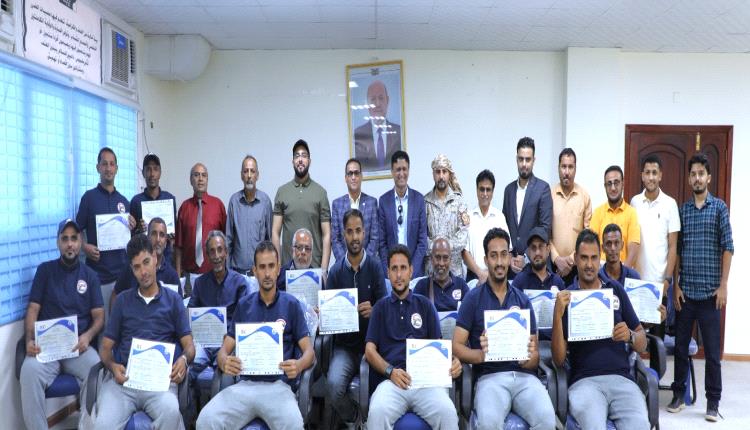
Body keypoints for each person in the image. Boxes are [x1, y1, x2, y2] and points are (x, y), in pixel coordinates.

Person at [196, 241, 315, 429]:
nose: (267, 273)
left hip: (278, 388)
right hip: (245, 386)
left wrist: (299, 365)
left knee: (294, 425)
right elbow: (223, 350)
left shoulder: (291, 305)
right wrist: (224, 361)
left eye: (271, 266)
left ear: (278, 269)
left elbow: (310, 352)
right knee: (205, 420)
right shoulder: (244, 305)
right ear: (255, 271)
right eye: (262, 267)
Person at [453, 227, 556, 429]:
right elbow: (455, 346)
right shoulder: (473, 299)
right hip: (490, 379)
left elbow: (535, 356)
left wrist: (528, 359)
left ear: (509, 258)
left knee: (547, 419)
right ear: (486, 260)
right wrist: (480, 355)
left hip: (525, 378)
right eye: (494, 256)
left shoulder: (523, 300)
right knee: (489, 423)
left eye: (503, 255)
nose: (499, 262)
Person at [94, 235, 195, 430]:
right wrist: (113, 367)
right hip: (125, 382)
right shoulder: (122, 301)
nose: (143, 272)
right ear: (132, 270)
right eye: (137, 267)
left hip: (160, 383)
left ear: (155, 258)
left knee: (171, 412)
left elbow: (189, 346)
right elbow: (105, 348)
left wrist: (183, 360)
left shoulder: (173, 300)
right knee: (102, 425)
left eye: (146, 262)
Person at [551, 229, 649, 430]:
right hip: (585, 384)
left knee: (640, 425)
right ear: (576, 259)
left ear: (600, 258)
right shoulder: (567, 297)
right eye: (584, 258)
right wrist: (557, 316)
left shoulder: (615, 290)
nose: (589, 264)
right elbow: (559, 359)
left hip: (622, 381)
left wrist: (630, 336)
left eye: (594, 258)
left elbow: (643, 342)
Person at [365, 244, 461, 429]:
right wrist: (390, 371)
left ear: (411, 271)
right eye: (394, 269)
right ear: (388, 273)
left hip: (425, 383)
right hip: (392, 382)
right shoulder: (380, 308)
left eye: (403, 268)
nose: (399, 274)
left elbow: (439, 346)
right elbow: (369, 351)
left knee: (448, 412)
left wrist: (453, 361)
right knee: (377, 412)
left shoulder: (425, 305)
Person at [20, 219, 103, 430]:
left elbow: (99, 317)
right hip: (47, 348)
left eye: (74, 238)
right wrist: (29, 340)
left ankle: (86, 427)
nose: (69, 244)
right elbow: (33, 309)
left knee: (97, 370)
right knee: (28, 371)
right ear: (58, 243)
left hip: (78, 347)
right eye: (65, 239)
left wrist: (88, 337)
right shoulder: (45, 271)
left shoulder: (90, 276)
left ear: (80, 241)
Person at [668, 153, 733, 422]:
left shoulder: (719, 208)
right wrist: (676, 286)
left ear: (708, 178)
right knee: (680, 349)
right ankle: (678, 395)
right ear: (689, 178)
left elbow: (728, 247)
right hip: (686, 294)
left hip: (710, 296)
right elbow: (677, 251)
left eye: (701, 174)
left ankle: (713, 402)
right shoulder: (683, 211)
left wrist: (723, 285)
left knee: (713, 355)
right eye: (693, 174)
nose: (697, 178)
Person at [324, 209, 387, 426]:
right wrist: (324, 314)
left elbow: (386, 310)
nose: (354, 237)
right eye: (350, 232)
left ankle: (372, 421)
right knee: (333, 387)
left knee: (379, 387)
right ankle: (354, 418)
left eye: (358, 231)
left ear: (364, 232)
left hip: (373, 347)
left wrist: (375, 310)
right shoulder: (335, 272)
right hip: (345, 348)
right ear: (344, 234)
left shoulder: (375, 267)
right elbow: (328, 322)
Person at [76, 147, 136, 323]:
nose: (108, 168)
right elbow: (75, 232)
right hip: (98, 276)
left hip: (123, 277)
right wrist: (84, 247)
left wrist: (132, 226)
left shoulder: (124, 202)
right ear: (98, 168)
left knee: (123, 325)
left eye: (112, 164)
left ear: (117, 168)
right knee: (102, 327)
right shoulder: (88, 198)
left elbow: (130, 240)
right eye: (104, 164)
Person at [188, 230, 248, 382]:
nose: (216, 256)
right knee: (187, 369)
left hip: (228, 343)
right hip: (204, 343)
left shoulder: (239, 283)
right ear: (207, 256)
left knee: (223, 374)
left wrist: (230, 338)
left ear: (226, 252)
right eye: (212, 251)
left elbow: (244, 319)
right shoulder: (200, 283)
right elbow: (190, 314)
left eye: (220, 250)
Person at [272, 139, 331, 275]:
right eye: (297, 156)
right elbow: (275, 232)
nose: (300, 159)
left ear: (309, 161)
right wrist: (278, 265)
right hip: (288, 271)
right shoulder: (282, 192)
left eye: (304, 156)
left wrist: (323, 270)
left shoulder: (320, 193)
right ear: (292, 161)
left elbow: (327, 234)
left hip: (314, 269)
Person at [502, 137, 553, 276]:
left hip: (535, 267)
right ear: (516, 160)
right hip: (511, 268)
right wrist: (510, 255)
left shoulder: (543, 189)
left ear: (533, 160)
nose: (524, 164)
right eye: (521, 159)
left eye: (528, 159)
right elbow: (504, 227)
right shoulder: (508, 190)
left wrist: (525, 256)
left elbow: (545, 229)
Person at [630, 155, 680, 294]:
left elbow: (673, 246)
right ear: (642, 176)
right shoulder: (634, 202)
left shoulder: (670, 204)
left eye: (654, 173)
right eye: (647, 173)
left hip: (661, 283)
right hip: (637, 282)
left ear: (660, 176)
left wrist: (668, 279)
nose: (651, 177)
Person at [377, 150, 429, 278]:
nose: (401, 174)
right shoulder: (383, 201)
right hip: (392, 273)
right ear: (392, 172)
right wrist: (389, 270)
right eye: (398, 170)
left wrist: (411, 270)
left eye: (404, 169)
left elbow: (422, 242)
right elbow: (382, 243)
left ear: (409, 171)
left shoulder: (419, 200)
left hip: (414, 272)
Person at [112, 218, 181, 309]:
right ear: (147, 237)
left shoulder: (172, 275)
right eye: (154, 234)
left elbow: (178, 308)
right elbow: (115, 295)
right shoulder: (131, 267)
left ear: (166, 242)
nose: (158, 239)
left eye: (162, 235)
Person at [175, 163, 227, 278]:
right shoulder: (184, 207)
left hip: (214, 274)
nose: (200, 179)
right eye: (196, 175)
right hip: (189, 275)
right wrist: (178, 276)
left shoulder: (218, 205)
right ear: (191, 180)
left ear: (207, 179)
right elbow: (178, 246)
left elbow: (226, 243)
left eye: (204, 175)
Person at [226, 155, 273, 275]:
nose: (249, 175)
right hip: (237, 272)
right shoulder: (234, 202)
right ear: (241, 175)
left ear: (257, 175)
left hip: (259, 272)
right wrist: (228, 272)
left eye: (252, 171)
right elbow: (228, 239)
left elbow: (270, 240)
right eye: (246, 171)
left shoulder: (265, 202)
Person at [550, 148, 591, 285]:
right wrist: (557, 259)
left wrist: (571, 260)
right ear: (558, 168)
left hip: (577, 268)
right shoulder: (548, 195)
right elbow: (545, 233)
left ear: (575, 169)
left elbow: (587, 234)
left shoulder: (584, 196)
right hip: (553, 267)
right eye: (563, 167)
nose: (566, 172)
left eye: (570, 167)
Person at [424, 154, 469, 277]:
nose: (441, 176)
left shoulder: (459, 201)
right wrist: (436, 249)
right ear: (433, 174)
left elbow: (464, 235)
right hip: (432, 271)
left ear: (449, 174)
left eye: (444, 172)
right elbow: (421, 237)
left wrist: (445, 247)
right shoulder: (425, 202)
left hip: (454, 271)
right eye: (437, 172)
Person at [463, 169, 509, 284]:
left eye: (488, 190)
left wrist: (492, 274)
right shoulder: (468, 217)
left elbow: (507, 250)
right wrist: (480, 273)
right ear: (476, 190)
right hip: (473, 277)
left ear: (492, 192)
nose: (485, 194)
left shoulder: (499, 217)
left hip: (496, 275)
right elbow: (464, 251)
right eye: (481, 189)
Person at [130, 153, 178, 262]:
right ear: (143, 173)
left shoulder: (170, 199)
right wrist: (139, 230)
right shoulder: (136, 201)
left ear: (160, 173)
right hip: (144, 258)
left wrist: (172, 236)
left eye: (155, 169)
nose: (152, 174)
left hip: (166, 258)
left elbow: (175, 231)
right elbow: (131, 237)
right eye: (148, 169)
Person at [590, 165, 640, 268]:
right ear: (605, 187)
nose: (613, 188)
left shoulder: (631, 213)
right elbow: (592, 245)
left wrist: (623, 273)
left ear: (623, 184)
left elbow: (634, 247)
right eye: (609, 184)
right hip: (601, 270)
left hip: (624, 269)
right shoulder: (597, 213)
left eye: (616, 183)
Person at [331, 158, 379, 263]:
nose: (353, 177)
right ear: (346, 178)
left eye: (356, 173)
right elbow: (335, 239)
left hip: (368, 266)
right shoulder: (337, 205)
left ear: (361, 177)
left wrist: (364, 263)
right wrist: (347, 263)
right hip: (344, 266)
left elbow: (375, 238)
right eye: (350, 173)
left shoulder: (372, 202)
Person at [353, 80, 402, 172]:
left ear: (387, 101)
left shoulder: (399, 132)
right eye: (373, 99)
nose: (377, 104)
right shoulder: (357, 134)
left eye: (381, 98)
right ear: (367, 104)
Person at [414, 238, 470, 312]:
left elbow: (469, 314)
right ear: (431, 259)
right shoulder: (422, 286)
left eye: (445, 258)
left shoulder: (461, 285)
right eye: (437, 258)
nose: (441, 263)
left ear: (450, 260)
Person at [512, 227, 565, 291]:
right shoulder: (519, 281)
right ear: (529, 251)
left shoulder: (557, 282)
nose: (537, 253)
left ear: (548, 250)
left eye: (541, 247)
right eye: (533, 247)